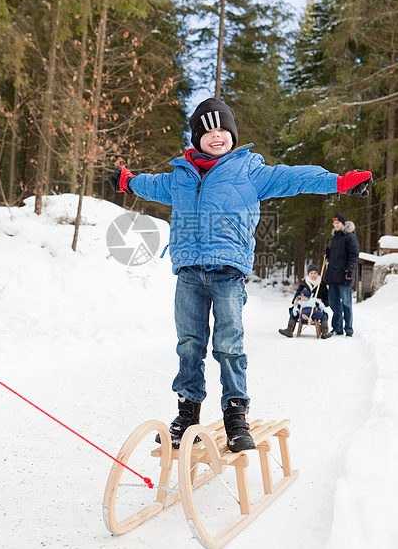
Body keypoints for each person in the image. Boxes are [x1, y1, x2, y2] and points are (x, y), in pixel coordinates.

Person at [108, 97, 372, 452]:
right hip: (188, 271)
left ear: (232, 135)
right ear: (197, 137)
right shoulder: (181, 176)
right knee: (189, 344)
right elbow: (151, 185)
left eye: (223, 130)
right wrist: (128, 182)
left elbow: (294, 177)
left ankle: (235, 413)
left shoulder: (250, 171)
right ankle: (187, 413)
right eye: (208, 131)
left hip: (228, 272)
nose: (216, 137)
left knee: (229, 345)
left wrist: (338, 183)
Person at [324, 212, 360, 337]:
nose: (336, 225)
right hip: (333, 275)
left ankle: (348, 328)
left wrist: (349, 270)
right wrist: (328, 254)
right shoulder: (334, 239)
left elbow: (354, 255)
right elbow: (335, 257)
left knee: (346, 303)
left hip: (344, 276)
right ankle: (337, 328)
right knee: (334, 303)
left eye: (338, 223)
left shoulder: (350, 237)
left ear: (343, 224)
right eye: (334, 223)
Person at [278, 263, 332, 339]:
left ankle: (325, 332)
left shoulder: (322, 284)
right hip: (304, 308)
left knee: (324, 314)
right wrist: (297, 299)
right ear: (308, 274)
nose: (313, 275)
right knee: (293, 311)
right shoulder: (304, 284)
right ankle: (289, 330)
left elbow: (328, 301)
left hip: (316, 308)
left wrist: (322, 301)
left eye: (315, 273)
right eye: (311, 273)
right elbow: (296, 296)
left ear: (318, 274)